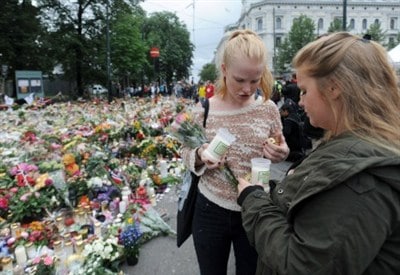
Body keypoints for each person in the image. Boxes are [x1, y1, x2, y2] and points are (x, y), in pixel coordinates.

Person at [237, 32, 400, 274]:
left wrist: (254, 200)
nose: (300, 102)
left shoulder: (360, 178)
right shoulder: (356, 144)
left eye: (304, 91)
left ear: (334, 88)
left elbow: (302, 264)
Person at [180, 29, 290, 275]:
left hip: (256, 209)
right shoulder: (204, 109)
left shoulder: (268, 109)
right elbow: (184, 151)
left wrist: (281, 152)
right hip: (210, 208)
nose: (248, 88)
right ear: (224, 70)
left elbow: (281, 144)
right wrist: (200, 154)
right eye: (240, 80)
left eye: (255, 80)